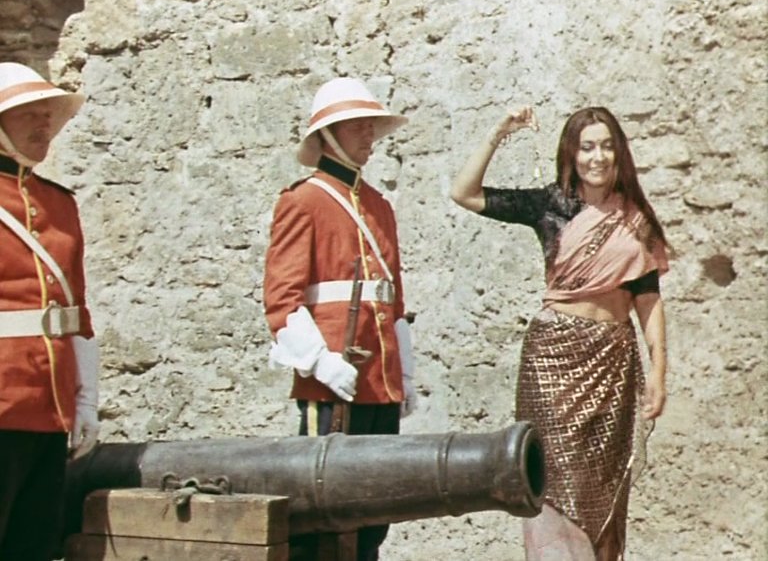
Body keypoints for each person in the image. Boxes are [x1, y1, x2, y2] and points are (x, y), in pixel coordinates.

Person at [450, 106, 670, 560]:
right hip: (552, 362)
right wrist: (499, 133)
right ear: (571, 154)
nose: (597, 157)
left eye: (606, 146)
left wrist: (659, 372)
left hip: (612, 363)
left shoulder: (636, 219)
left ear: (619, 153)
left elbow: (648, 302)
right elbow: (464, 194)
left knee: (602, 482)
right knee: (553, 476)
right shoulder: (550, 205)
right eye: (587, 147)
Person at [263, 76, 418, 560]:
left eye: (371, 125)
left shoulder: (379, 206)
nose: (369, 135)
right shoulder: (303, 200)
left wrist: (405, 374)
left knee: (375, 512)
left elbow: (393, 302)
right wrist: (320, 362)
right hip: (332, 379)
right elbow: (282, 301)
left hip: (379, 381)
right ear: (328, 136)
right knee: (320, 515)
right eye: (357, 126)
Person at [0, 62, 100, 561]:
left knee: (34, 546)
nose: (44, 126)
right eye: (29, 115)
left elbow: (76, 311)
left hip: (50, 405)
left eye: (48, 115)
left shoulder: (59, 203)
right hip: (3, 396)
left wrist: (86, 399)